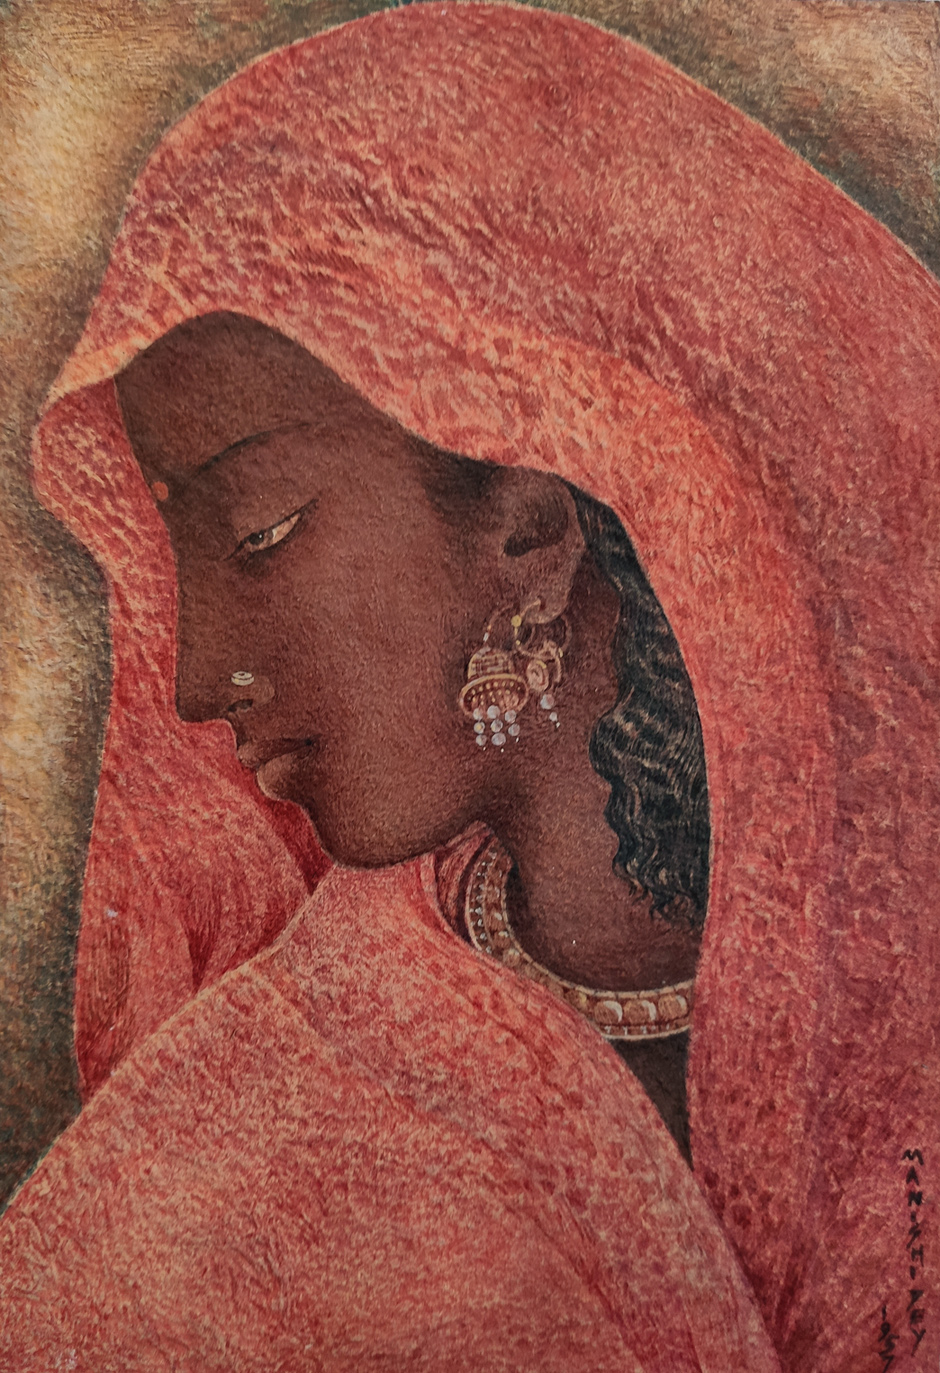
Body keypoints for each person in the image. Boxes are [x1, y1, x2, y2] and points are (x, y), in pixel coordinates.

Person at [1, 6, 937, 1370]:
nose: (194, 679)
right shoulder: (207, 1176)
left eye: (260, 534)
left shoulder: (903, 965)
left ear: (531, 525)